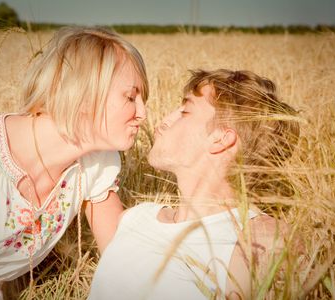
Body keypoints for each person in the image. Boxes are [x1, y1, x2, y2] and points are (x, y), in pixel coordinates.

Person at [0, 26, 148, 299]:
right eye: (130, 97)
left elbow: (122, 256)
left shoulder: (96, 165)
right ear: (84, 92)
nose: (143, 113)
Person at [88, 69, 300, 299]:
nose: (162, 122)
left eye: (186, 111)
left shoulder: (259, 238)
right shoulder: (137, 217)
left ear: (221, 138)